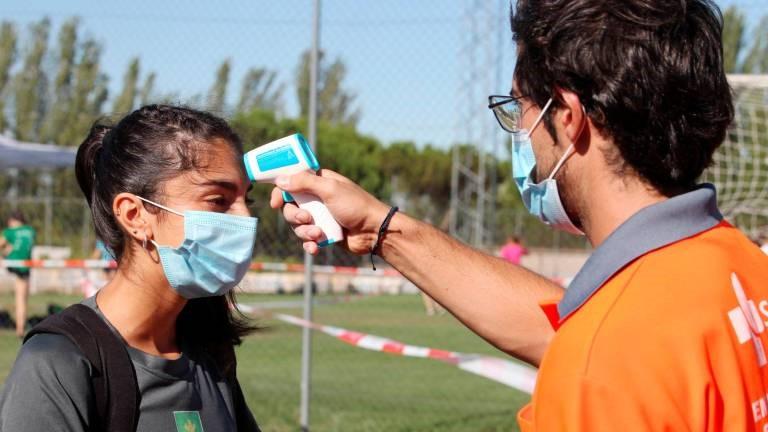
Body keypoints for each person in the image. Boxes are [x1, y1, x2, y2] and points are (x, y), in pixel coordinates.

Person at [271, 1, 768, 430]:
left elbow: (595, 347)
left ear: (568, 118)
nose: (520, 131)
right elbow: (565, 328)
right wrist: (383, 230)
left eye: (520, 107)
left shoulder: (600, 362)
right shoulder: (741, 267)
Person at [0, 105, 260, 431]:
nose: (245, 220)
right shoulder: (58, 364)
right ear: (135, 216)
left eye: (246, 200)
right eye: (218, 200)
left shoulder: (210, 355)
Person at [0, 210, 36, 338]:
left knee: (20, 298)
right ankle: (20, 328)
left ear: (12, 221)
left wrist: (5, 253)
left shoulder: (10, 232)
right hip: (24, 267)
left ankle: (19, 327)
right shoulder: (31, 231)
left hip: (12, 263)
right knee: (22, 299)